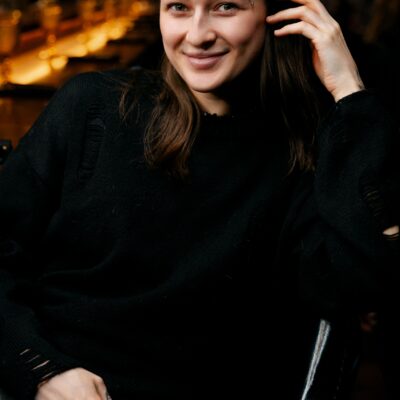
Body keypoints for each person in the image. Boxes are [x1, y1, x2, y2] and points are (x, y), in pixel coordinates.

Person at [0, 0, 399, 399]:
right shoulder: (92, 107)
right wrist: (40, 369)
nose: (196, 35)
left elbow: (364, 282)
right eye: (178, 7)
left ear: (277, 15)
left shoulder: (302, 156)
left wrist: (349, 91)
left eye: (225, 7)